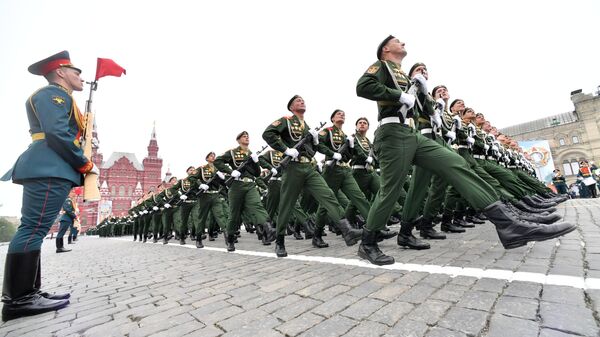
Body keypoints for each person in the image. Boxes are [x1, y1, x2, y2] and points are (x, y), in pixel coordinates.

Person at [354, 36, 575, 265]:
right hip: (392, 133)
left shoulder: (409, 79)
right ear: (386, 49)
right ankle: (368, 243)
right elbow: (363, 86)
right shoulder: (382, 66)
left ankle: (509, 225)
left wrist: (423, 91)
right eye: (398, 41)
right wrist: (399, 95)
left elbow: (426, 110)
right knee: (390, 190)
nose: (404, 44)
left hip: (413, 135)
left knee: (455, 163)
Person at [0, 51, 98, 321]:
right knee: (33, 228)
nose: (81, 77)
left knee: (36, 228)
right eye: (76, 72)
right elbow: (57, 133)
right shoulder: (52, 95)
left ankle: (30, 291)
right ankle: (18, 299)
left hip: (50, 165)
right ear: (60, 72)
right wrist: (84, 163)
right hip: (49, 165)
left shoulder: (63, 97)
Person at [262, 95, 362, 257]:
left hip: (308, 167)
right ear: (291, 107)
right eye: (297, 101)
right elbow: (268, 134)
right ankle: (279, 240)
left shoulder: (306, 126)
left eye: (303, 100)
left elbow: (312, 151)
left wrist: (315, 141)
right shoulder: (287, 120)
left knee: (327, 195)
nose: (302, 102)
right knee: (288, 204)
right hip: (293, 168)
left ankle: (347, 230)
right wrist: (285, 150)